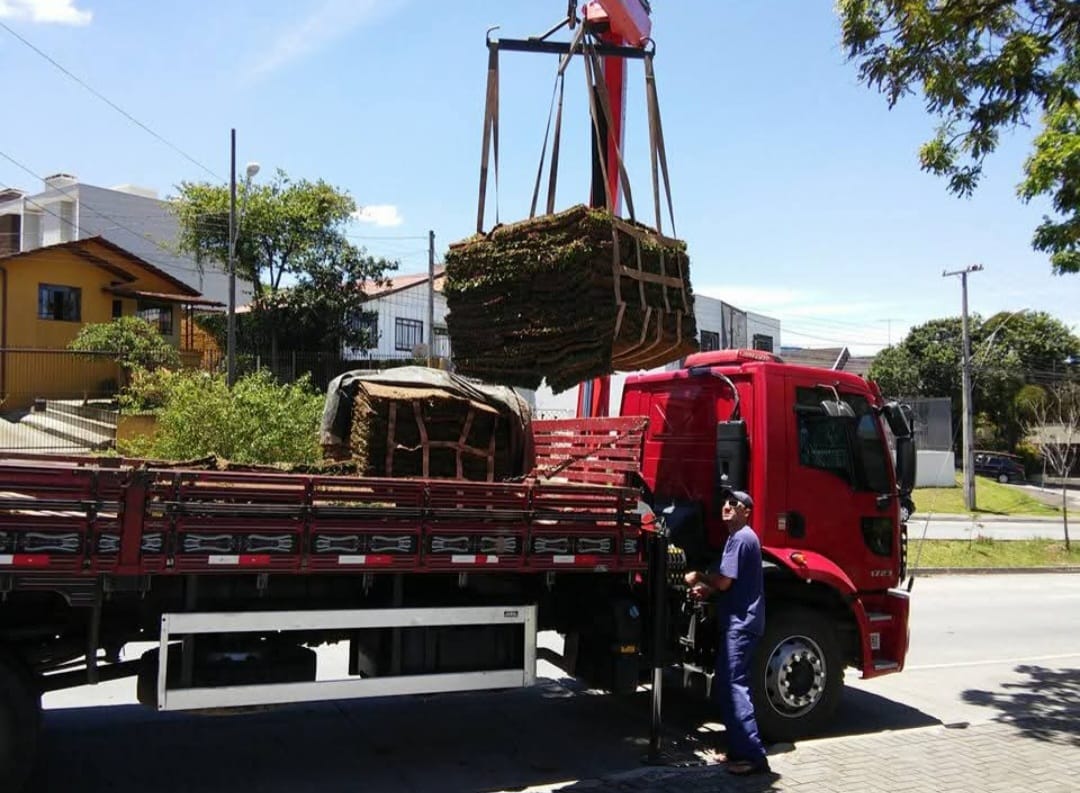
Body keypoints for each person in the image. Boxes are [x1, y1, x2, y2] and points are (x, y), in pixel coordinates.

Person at [684, 489, 769, 776]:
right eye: (725, 502)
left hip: (741, 626)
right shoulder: (739, 538)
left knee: (735, 687)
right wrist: (709, 587)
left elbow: (723, 582)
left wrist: (699, 577)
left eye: (735, 503)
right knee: (726, 684)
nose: (727, 506)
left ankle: (754, 757)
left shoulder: (741, 538)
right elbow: (728, 584)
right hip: (740, 623)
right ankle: (737, 751)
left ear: (747, 511)